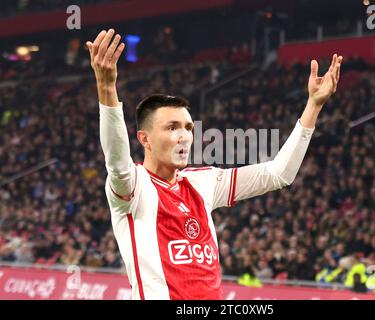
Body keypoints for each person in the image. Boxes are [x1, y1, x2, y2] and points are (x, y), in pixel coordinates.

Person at [85, 28, 343, 300]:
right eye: (172, 128)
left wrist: (313, 105)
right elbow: (116, 161)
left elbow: (278, 174)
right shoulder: (134, 186)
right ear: (145, 139)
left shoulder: (203, 181)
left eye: (187, 127)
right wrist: (106, 88)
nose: (184, 136)